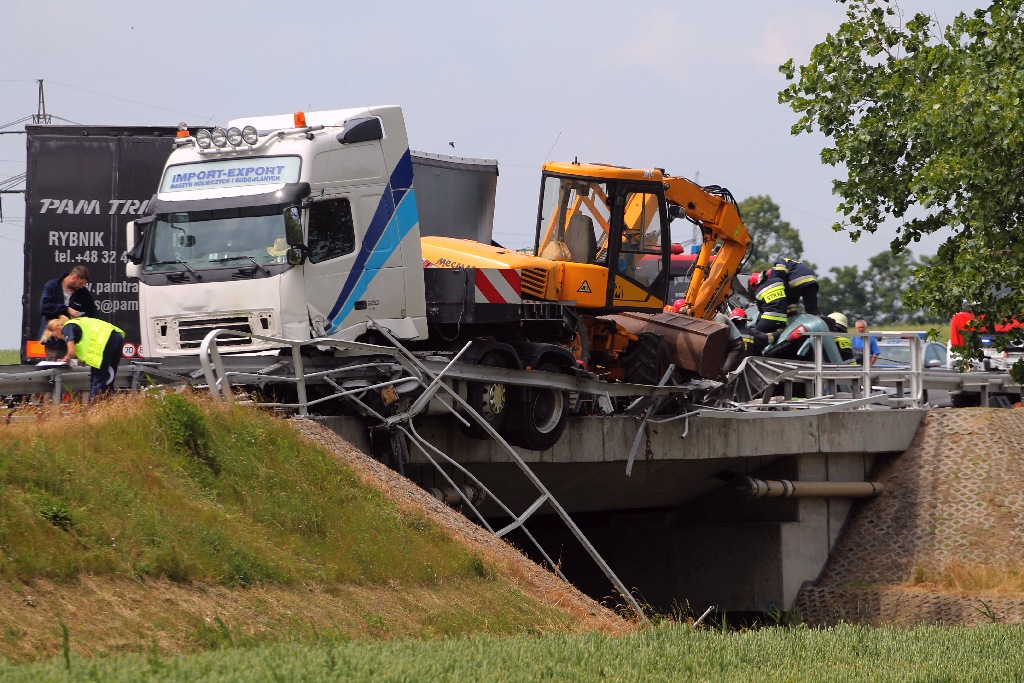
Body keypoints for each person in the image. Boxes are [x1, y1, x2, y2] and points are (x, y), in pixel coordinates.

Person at [41, 315, 124, 399]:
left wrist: (64, 360)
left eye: (55, 336)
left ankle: (94, 405)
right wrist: (72, 362)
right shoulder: (77, 325)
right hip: (116, 336)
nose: (58, 338)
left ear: (57, 328)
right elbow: (83, 358)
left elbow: (71, 352)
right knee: (109, 378)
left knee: (97, 379)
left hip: (104, 341)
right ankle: (107, 404)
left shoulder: (67, 328)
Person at [39, 266, 97, 361]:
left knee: (74, 370)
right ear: (74, 277)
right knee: (54, 368)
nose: (81, 286)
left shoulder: (84, 293)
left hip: (75, 343)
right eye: (80, 283)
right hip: (55, 343)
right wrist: (66, 309)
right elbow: (44, 308)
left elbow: (93, 314)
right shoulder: (52, 286)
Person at [750, 270, 789, 338]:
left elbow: (761, 310)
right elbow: (788, 293)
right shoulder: (779, 281)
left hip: (768, 319)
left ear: (754, 284)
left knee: (754, 336)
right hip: (783, 319)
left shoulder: (758, 292)